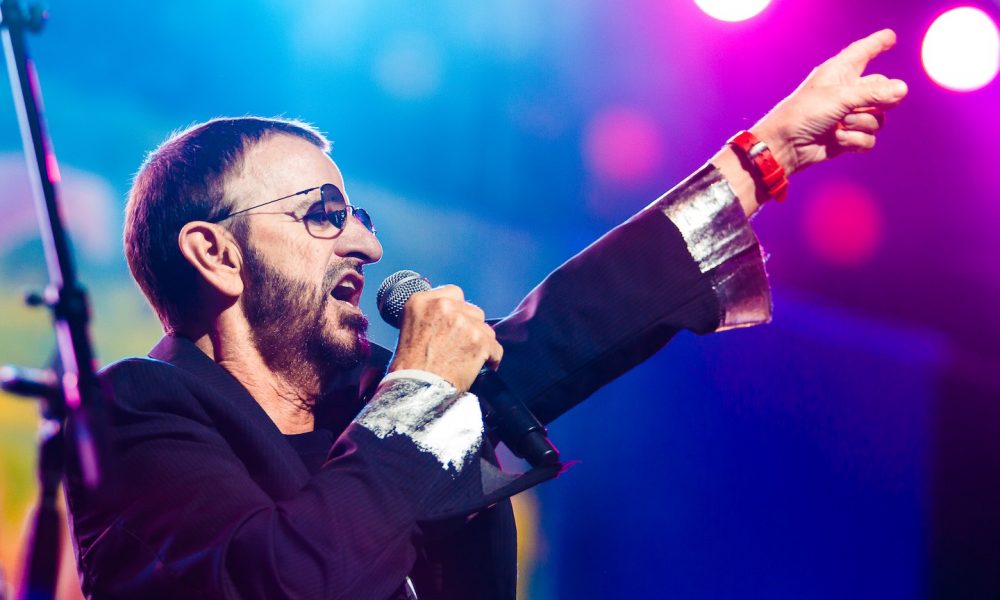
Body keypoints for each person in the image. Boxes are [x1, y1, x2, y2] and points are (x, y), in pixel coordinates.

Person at [64, 30, 908, 600]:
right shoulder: (136, 411)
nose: (360, 239)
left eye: (359, 215)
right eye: (323, 212)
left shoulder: (367, 402)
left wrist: (761, 158)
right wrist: (418, 392)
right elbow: (284, 579)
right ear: (215, 252)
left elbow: (573, 322)